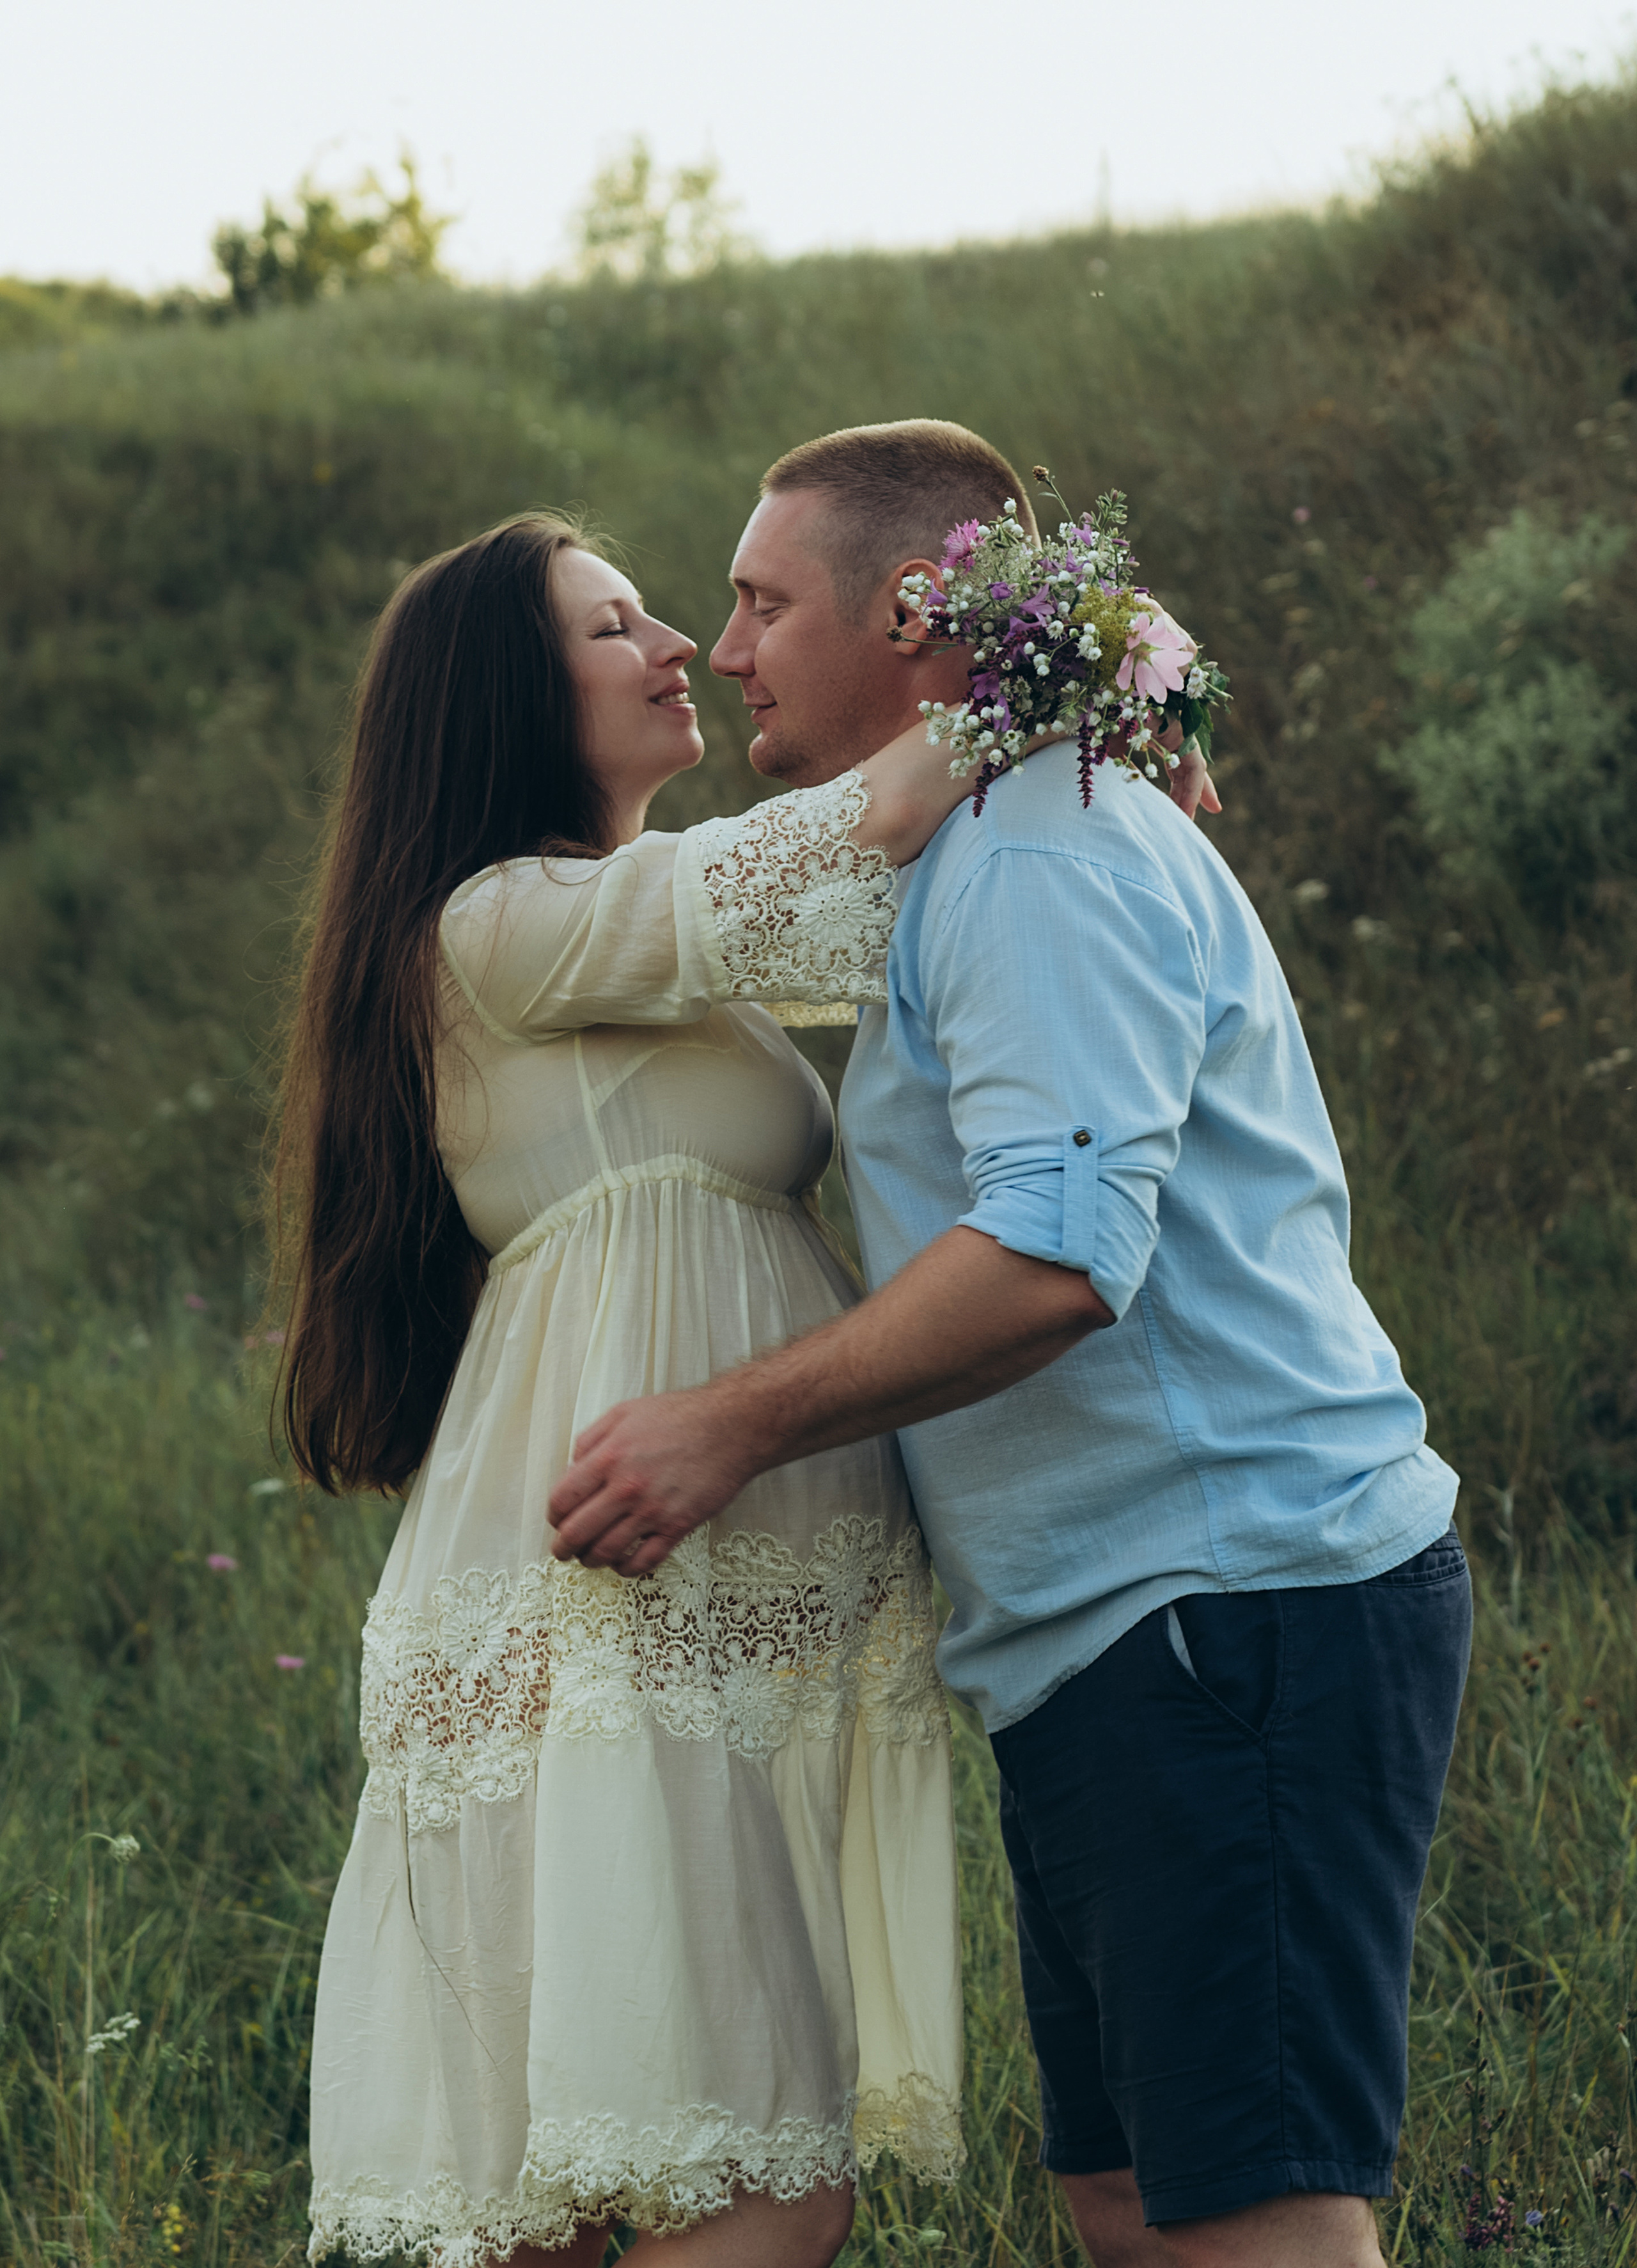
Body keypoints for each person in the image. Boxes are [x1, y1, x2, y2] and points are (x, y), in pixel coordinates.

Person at [549, 422, 1473, 2268]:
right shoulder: (976, 836)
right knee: (1129, 2206)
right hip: (1115, 1638)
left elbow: (1056, 1256)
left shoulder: (1041, 852)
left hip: (1226, 1611)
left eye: (756, 599)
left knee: (1255, 2223)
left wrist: (727, 1425)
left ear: (908, 609)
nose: (725, 649)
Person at [270, 510, 996, 2268]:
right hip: (617, 1625)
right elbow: (839, 836)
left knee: (602, 2190)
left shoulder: (639, 954)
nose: (680, 640)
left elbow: (900, 899)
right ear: (511, 699)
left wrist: (1089, 789)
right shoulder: (495, 925)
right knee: (729, 2184)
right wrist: (1053, 678)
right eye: (615, 628)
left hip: (705, 1629)